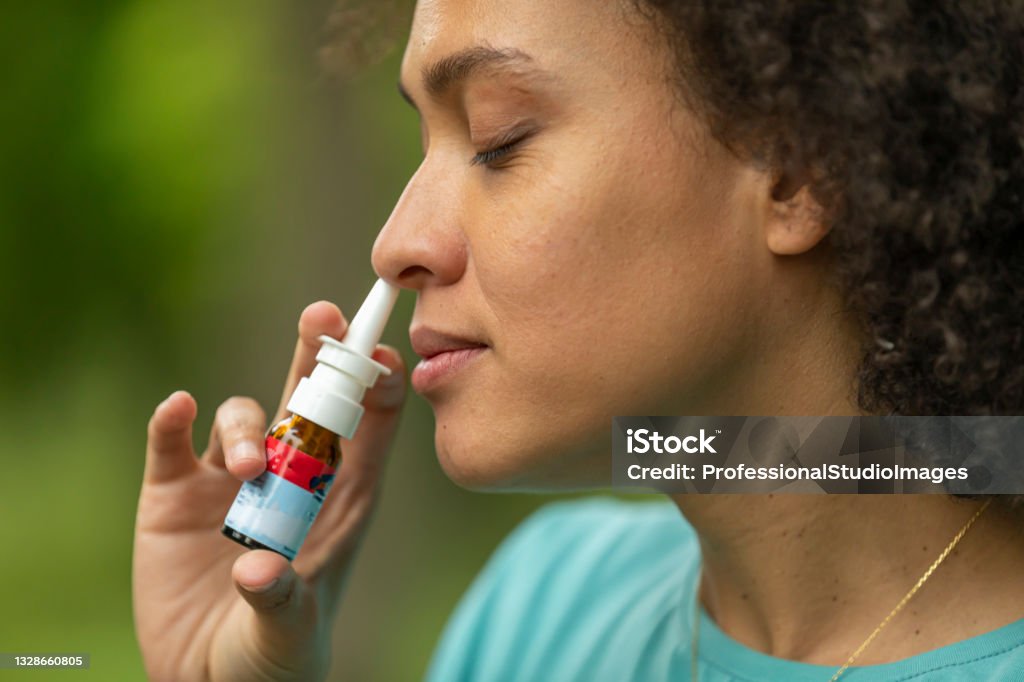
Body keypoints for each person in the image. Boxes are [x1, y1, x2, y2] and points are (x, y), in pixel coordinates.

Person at [132, 1, 1024, 680]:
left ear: (800, 174)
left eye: (496, 139)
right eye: (422, 141)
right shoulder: (543, 611)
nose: (397, 243)